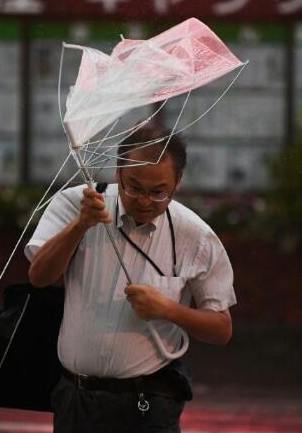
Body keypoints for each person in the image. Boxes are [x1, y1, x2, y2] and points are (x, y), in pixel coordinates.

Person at [25, 121, 236, 433]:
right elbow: (39, 276)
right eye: (134, 187)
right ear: (118, 174)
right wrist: (81, 225)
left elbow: (222, 329)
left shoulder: (197, 235)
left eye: (158, 191)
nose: (145, 201)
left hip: (149, 402)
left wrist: (167, 310)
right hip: (76, 397)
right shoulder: (76, 204)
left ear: (177, 183)